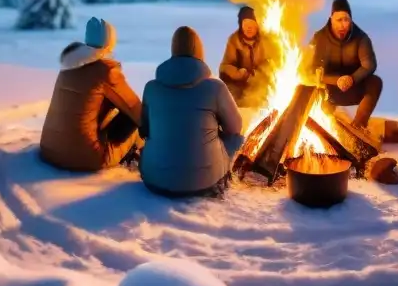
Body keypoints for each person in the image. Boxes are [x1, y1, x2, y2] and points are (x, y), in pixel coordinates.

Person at [139, 26, 245, 198]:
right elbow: (235, 128)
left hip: (154, 180)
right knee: (234, 138)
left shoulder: (151, 87)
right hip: (205, 182)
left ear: (173, 50)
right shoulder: (215, 87)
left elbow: (145, 129)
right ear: (200, 52)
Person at [39, 17, 143, 172]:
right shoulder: (106, 71)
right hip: (84, 158)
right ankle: (142, 160)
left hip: (50, 149)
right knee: (136, 127)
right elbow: (136, 110)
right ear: (110, 42)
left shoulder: (68, 66)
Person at [307, 0, 383, 129]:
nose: (343, 25)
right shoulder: (319, 38)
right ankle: (323, 123)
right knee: (310, 83)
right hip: (329, 90)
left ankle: (359, 125)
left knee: (375, 82)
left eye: (346, 20)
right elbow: (310, 68)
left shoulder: (361, 38)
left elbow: (370, 65)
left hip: (353, 87)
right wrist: (336, 80)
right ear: (331, 19)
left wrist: (352, 79)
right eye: (339, 20)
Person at [218, 5, 272, 107]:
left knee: (265, 96)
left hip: (259, 84)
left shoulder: (265, 40)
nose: (249, 27)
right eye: (245, 23)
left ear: (257, 25)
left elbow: (273, 64)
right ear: (241, 24)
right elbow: (225, 66)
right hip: (239, 84)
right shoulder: (234, 40)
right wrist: (239, 73)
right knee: (231, 96)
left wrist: (258, 75)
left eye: (252, 23)